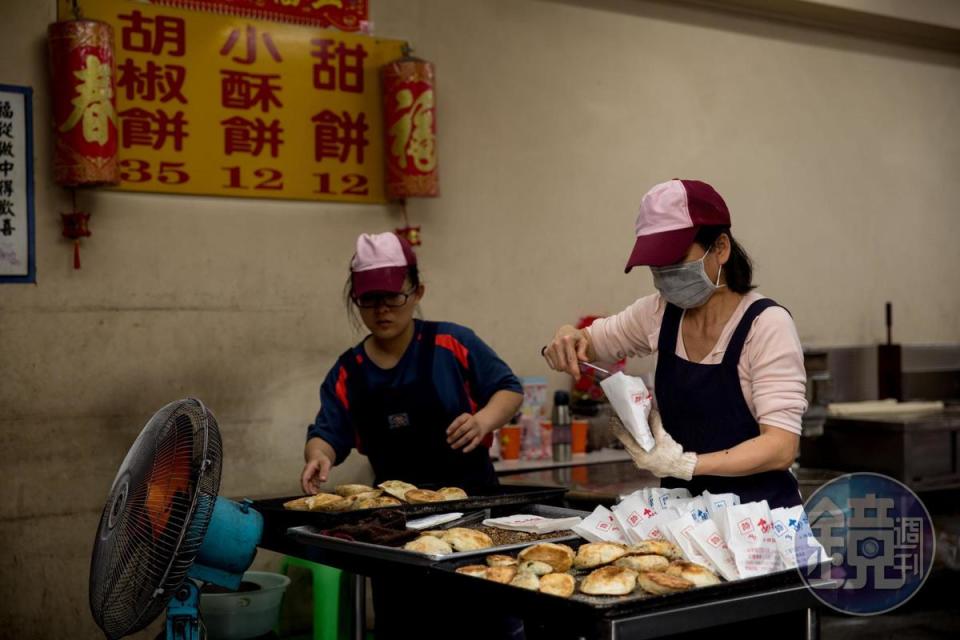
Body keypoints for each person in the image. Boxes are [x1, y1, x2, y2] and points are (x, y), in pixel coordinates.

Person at [302, 231, 524, 639]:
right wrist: (319, 456)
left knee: (486, 625)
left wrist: (484, 420)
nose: (381, 310)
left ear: (417, 291)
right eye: (369, 300)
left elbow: (508, 389)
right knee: (407, 627)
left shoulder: (451, 343)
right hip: (395, 528)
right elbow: (327, 433)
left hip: (475, 513)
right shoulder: (349, 370)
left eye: (393, 297)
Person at [543, 179, 807, 508]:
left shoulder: (765, 325)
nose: (667, 274)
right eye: (657, 265)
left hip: (762, 524)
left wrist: (687, 465)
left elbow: (781, 447)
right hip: (684, 522)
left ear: (721, 247)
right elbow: (590, 342)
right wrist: (568, 336)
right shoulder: (658, 314)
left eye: (677, 259)